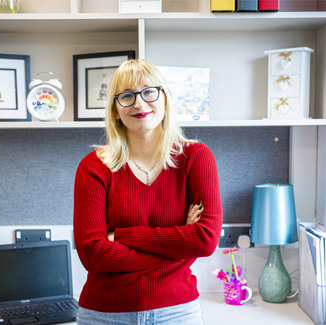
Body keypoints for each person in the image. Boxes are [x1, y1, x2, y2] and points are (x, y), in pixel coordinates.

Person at [73, 59, 223, 324]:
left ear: (164, 99)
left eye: (148, 92)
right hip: (105, 315)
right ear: (116, 110)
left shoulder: (196, 158)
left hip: (178, 312)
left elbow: (206, 240)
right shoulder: (94, 166)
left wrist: (122, 235)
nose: (139, 104)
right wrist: (179, 249)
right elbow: (92, 254)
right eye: (127, 96)